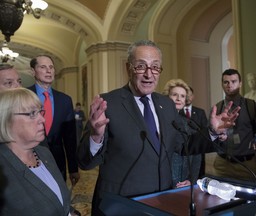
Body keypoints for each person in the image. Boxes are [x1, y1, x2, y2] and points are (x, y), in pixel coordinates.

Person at [77, 40, 240, 215]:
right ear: (128, 68)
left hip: (161, 202)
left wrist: (212, 131)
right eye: (141, 66)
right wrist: (95, 136)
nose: (149, 74)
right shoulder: (108, 103)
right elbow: (85, 162)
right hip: (121, 204)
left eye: (155, 67)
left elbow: (183, 143)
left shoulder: (166, 105)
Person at [0, 88, 77, 215]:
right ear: (6, 120)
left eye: (40, 112)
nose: (43, 119)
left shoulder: (44, 153)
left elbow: (60, 201)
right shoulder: (3, 167)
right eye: (32, 114)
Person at [28, 55, 80, 185]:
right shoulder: (24, 96)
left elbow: (70, 138)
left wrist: (73, 168)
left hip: (58, 162)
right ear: (33, 71)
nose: (48, 70)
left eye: (51, 67)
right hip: (30, 160)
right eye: (43, 67)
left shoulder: (65, 100)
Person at [213, 69, 256, 182]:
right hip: (223, 164)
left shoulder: (252, 106)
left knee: (250, 199)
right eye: (226, 82)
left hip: (247, 165)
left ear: (240, 83)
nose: (230, 85)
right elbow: (210, 136)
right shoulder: (217, 108)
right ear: (222, 84)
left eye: (234, 81)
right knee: (221, 199)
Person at [162, 79, 202, 187]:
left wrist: (191, 180)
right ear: (167, 97)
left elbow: (197, 156)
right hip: (162, 184)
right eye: (175, 95)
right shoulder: (158, 120)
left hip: (184, 184)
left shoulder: (190, 124)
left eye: (183, 96)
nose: (179, 99)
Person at [181, 86, 208, 179]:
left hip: (198, 151)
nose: (188, 97)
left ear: (193, 96)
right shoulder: (176, 111)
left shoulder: (200, 112)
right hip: (183, 152)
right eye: (186, 95)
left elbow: (205, 130)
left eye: (190, 95)